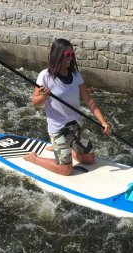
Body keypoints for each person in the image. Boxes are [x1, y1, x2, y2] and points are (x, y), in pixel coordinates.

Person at [23, 38, 111, 175]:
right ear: (57, 55)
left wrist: (103, 122)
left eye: (72, 55)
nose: (71, 58)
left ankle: (63, 149)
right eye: (67, 55)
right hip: (59, 128)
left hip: (77, 124)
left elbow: (89, 101)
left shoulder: (76, 75)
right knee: (66, 170)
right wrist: (44, 97)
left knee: (89, 160)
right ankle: (34, 158)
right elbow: (35, 103)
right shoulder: (45, 76)